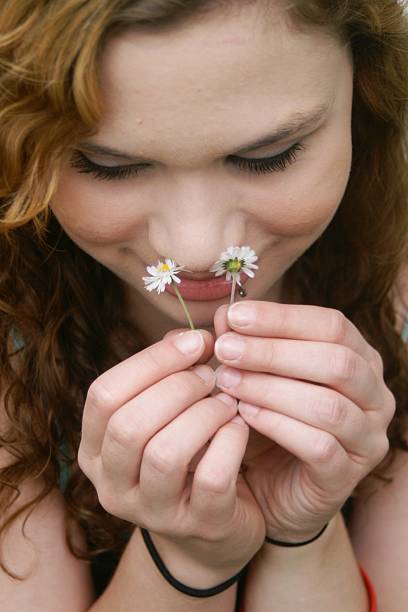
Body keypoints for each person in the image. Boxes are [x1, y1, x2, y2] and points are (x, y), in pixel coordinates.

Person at [0, 0, 407, 610]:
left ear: (366, 90)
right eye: (109, 166)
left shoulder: (395, 308)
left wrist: (304, 533)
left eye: (267, 157)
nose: (197, 248)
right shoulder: (12, 353)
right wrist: (187, 558)